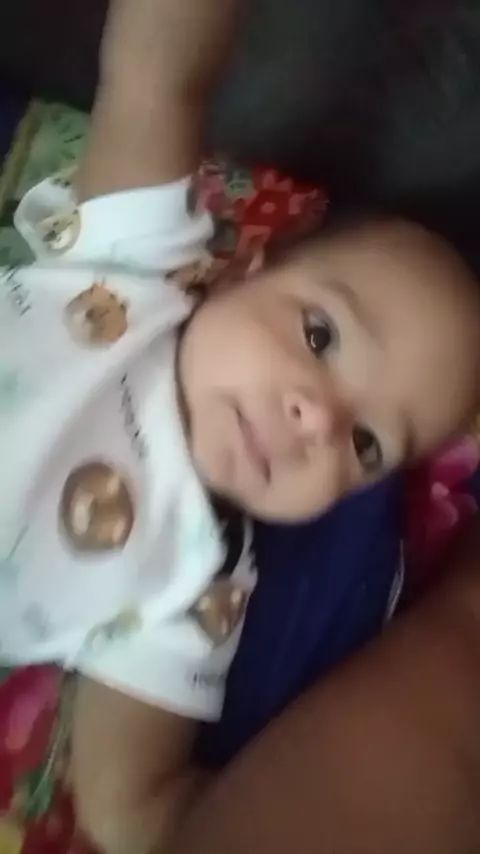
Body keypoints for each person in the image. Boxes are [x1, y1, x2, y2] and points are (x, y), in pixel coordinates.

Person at [2, 2, 480, 854]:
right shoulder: (131, 271)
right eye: (320, 336)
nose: (319, 420)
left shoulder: (198, 579)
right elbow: (156, 77)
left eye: (367, 445)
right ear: (240, 273)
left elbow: (130, 804)